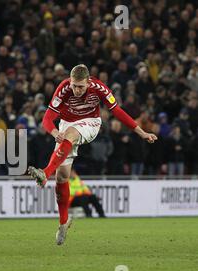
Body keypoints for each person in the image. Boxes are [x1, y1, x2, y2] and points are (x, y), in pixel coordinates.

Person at [28, 64, 157, 245]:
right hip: (66, 124)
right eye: (74, 85)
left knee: (70, 135)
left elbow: (118, 112)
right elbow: (47, 118)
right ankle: (64, 223)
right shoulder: (64, 88)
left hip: (90, 122)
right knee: (62, 178)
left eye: (81, 86)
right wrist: (54, 133)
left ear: (88, 82)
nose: (77, 90)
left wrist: (141, 132)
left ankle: (45, 172)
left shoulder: (99, 88)